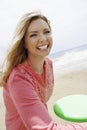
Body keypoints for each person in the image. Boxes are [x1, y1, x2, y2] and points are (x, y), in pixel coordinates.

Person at [0, 11, 87, 130]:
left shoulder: (49, 64)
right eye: (33, 35)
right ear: (24, 43)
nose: (43, 39)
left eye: (46, 32)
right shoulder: (18, 79)